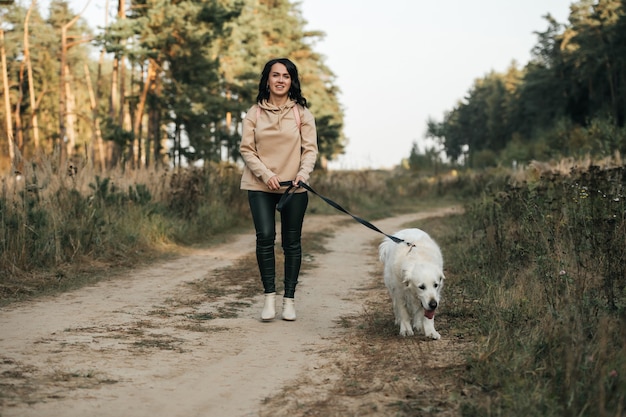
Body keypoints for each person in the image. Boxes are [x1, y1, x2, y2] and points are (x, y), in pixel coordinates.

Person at [239, 58, 318, 322]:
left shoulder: (302, 113)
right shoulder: (255, 113)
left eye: (286, 75)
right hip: (260, 185)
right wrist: (266, 174)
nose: (281, 80)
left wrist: (302, 174)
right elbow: (247, 149)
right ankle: (269, 297)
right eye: (276, 75)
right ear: (267, 80)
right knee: (264, 237)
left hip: (293, 188)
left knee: (292, 243)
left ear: (292, 80)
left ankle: (289, 300)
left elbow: (310, 150)